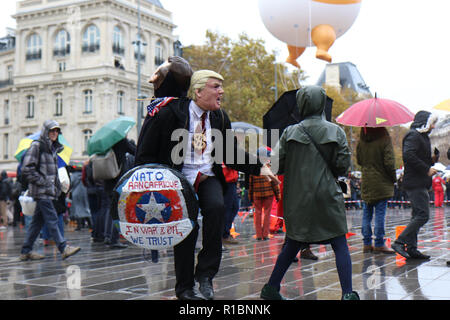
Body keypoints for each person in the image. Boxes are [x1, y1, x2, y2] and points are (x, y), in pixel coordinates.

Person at [135, 61, 277, 300]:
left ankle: (205, 275)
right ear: (199, 91)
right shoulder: (170, 112)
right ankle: (185, 288)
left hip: (207, 174)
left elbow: (229, 154)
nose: (221, 91)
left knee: (217, 209)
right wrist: (146, 180)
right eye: (216, 86)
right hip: (178, 178)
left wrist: (259, 168)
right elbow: (145, 150)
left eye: (221, 87)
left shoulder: (220, 117)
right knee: (187, 229)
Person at [260, 85, 359, 300]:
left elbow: (276, 166)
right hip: (327, 196)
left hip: (298, 198)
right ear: (322, 103)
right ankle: (348, 294)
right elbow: (343, 166)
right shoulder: (336, 131)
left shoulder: (289, 132)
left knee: (292, 243)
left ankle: (271, 288)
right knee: (339, 244)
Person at [19, 120, 80, 261]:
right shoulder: (37, 146)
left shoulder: (53, 149)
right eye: (52, 130)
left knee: (37, 223)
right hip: (41, 191)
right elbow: (26, 169)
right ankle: (63, 247)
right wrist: (43, 182)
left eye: (57, 131)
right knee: (52, 218)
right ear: (46, 131)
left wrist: (56, 187)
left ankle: (26, 251)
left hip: (48, 191)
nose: (54, 133)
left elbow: (52, 173)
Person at [391, 111, 439, 260]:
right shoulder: (413, 135)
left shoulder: (422, 136)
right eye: (432, 123)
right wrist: (426, 169)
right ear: (424, 123)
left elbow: (417, 156)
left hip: (420, 181)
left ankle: (412, 248)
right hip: (415, 182)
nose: (433, 126)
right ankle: (399, 242)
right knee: (423, 215)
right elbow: (408, 155)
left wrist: (432, 160)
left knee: (416, 215)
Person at [356, 127, 396, 254]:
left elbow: (359, 160)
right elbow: (389, 163)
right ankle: (379, 243)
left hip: (367, 182)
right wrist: (393, 178)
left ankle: (367, 244)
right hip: (381, 182)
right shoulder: (384, 139)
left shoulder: (362, 141)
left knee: (366, 214)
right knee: (380, 214)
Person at [103, 137, 136, 249]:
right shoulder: (121, 141)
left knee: (109, 209)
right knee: (117, 210)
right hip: (118, 181)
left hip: (107, 180)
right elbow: (135, 151)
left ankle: (107, 236)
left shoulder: (106, 142)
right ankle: (113, 239)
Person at [249, 147, 281, 240]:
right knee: (267, 214)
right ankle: (265, 235)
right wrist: (278, 196)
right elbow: (275, 184)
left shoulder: (253, 169)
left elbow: (250, 184)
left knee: (257, 214)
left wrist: (250, 196)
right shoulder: (270, 168)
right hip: (269, 194)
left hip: (256, 195)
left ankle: (259, 235)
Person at [222, 164, 240, 245]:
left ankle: (226, 232)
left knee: (234, 207)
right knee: (227, 208)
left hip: (232, 180)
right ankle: (224, 234)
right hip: (226, 180)